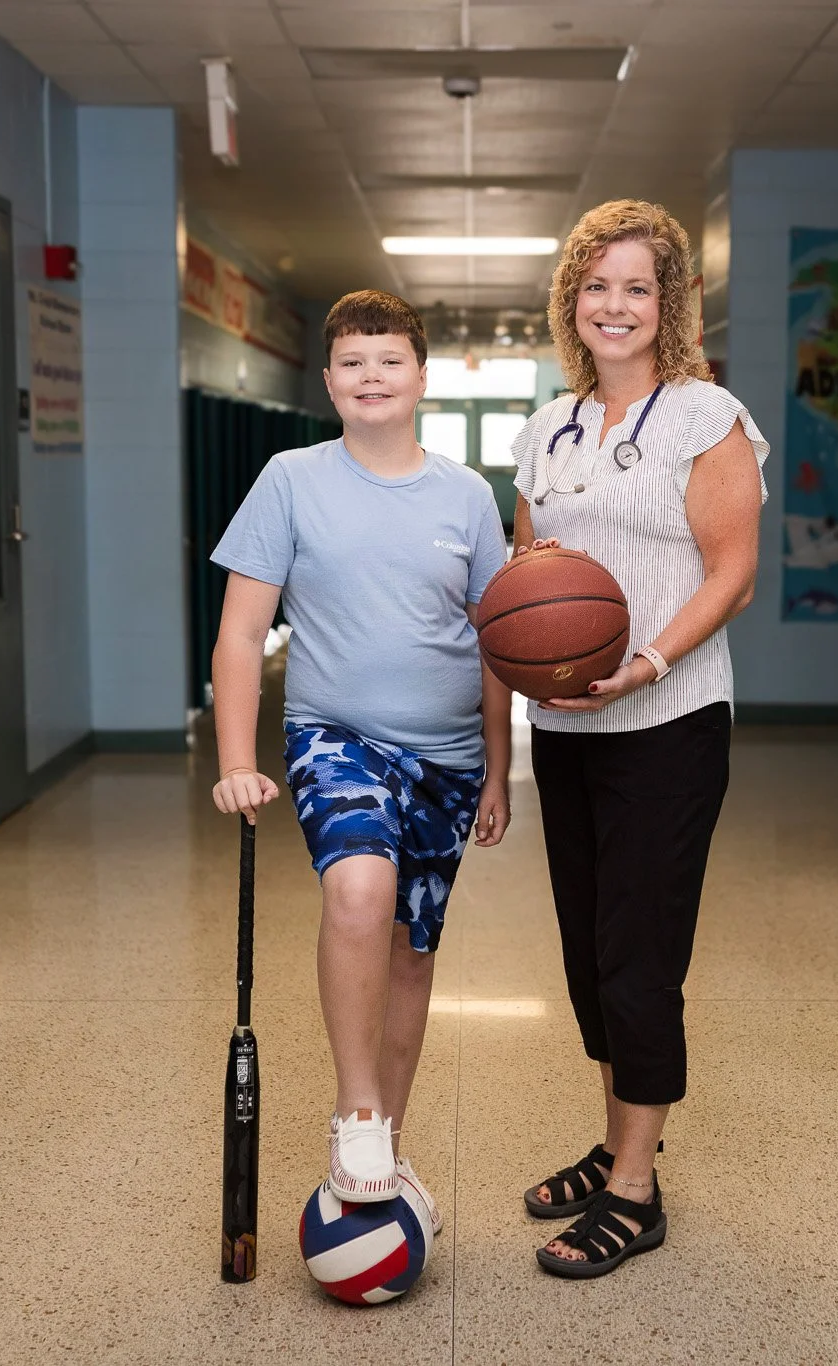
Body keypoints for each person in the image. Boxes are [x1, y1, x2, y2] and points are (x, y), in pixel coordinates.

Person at [207, 290, 513, 1226]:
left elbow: (498, 641)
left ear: (422, 376)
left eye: (388, 360)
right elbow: (240, 634)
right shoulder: (290, 480)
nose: (370, 377)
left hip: (449, 757)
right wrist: (234, 759)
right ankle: (356, 1110)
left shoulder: (467, 497)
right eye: (351, 363)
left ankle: (387, 1143)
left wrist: (500, 771)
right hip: (334, 737)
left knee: (411, 956)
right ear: (329, 381)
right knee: (359, 891)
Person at [509, 200, 767, 1278]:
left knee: (638, 952)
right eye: (595, 285)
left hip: (666, 718)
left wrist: (647, 662)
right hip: (568, 726)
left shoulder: (705, 416)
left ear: (666, 306)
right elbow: (526, 582)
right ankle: (618, 1137)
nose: (612, 305)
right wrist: (536, 679)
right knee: (585, 954)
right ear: (572, 302)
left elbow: (731, 571)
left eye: (635, 288)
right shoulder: (546, 429)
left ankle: (633, 1188)